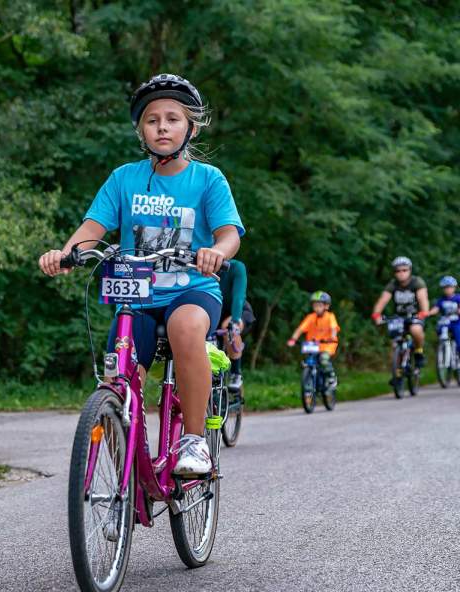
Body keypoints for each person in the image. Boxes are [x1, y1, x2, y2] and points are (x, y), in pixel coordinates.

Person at [38, 73, 243, 475]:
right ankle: (125, 478)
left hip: (192, 289)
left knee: (186, 330)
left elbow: (229, 234)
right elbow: (91, 231)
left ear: (191, 127)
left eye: (173, 118)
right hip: (137, 298)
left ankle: (195, 441)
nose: (162, 126)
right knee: (118, 373)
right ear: (141, 130)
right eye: (152, 120)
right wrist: (63, 255)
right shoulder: (124, 179)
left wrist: (216, 253)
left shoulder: (207, 179)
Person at [371, 256, 429, 368]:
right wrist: (376, 314)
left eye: (404, 270)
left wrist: (424, 312)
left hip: (415, 315)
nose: (401, 273)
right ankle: (397, 374)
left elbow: (423, 299)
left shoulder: (417, 282)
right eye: (398, 271)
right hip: (398, 317)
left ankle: (418, 352)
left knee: (416, 330)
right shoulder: (393, 285)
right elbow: (382, 300)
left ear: (410, 270)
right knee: (395, 343)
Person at [286, 291, 339, 385]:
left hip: (327, 344)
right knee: (308, 361)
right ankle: (310, 379)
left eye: (319, 305)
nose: (317, 308)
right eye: (315, 306)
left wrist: (333, 336)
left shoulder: (330, 316)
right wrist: (293, 339)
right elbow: (300, 329)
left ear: (326, 306)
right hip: (313, 345)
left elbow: (333, 327)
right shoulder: (310, 317)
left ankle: (331, 377)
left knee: (324, 359)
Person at [217, 258, 254, 390]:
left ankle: (236, 373)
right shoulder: (201, 265)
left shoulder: (236, 267)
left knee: (228, 327)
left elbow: (238, 297)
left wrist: (235, 321)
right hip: (216, 312)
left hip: (237, 310)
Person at [428, 276, 460, 350]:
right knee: (439, 330)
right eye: (445, 287)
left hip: (456, 321)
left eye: (450, 287)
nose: (448, 289)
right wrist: (429, 313)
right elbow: (436, 309)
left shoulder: (458, 298)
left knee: (458, 336)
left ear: (454, 287)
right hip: (445, 321)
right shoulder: (441, 299)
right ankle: (441, 348)